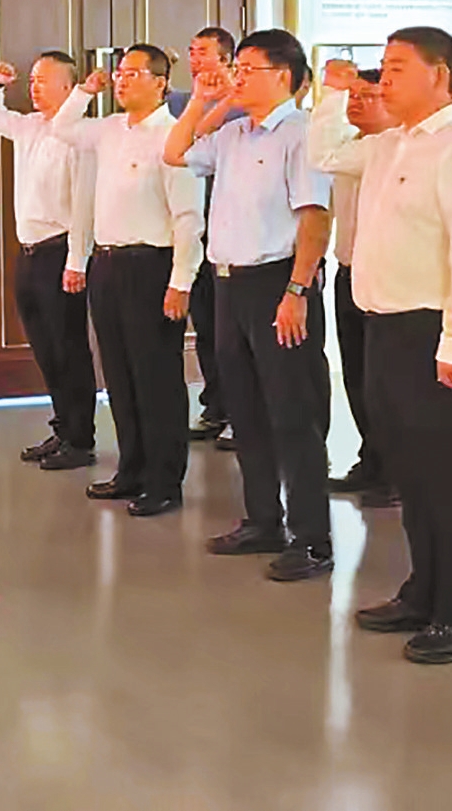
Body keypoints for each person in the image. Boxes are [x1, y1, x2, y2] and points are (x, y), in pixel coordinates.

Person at [311, 31, 452, 664]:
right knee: (413, 472)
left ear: (439, 75)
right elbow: (324, 152)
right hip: (385, 330)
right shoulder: (387, 143)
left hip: (434, 334)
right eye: (383, 67)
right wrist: (331, 93)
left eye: (397, 68)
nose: (383, 80)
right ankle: (423, 591)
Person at [164, 30, 335, 581]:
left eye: (247, 69)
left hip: (277, 282)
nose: (235, 77)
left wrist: (297, 291)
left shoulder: (302, 134)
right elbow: (175, 152)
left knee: (292, 413)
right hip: (228, 284)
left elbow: (314, 218)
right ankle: (263, 520)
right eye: (234, 68)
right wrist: (203, 99)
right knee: (246, 410)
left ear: (283, 76)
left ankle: (312, 538)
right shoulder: (234, 132)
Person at [51, 45, 203, 516]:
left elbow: (188, 217)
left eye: (134, 73)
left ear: (161, 83)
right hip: (108, 264)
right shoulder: (109, 130)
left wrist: (181, 281)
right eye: (120, 72)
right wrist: (84, 90)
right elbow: (62, 128)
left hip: (151, 266)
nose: (122, 79)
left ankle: (164, 480)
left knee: (155, 378)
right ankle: (131, 469)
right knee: (118, 375)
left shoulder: (173, 136)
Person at [0, 52, 97, 470]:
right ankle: (62, 428)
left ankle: (80, 439)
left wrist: (77, 261)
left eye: (43, 80)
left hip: (60, 252)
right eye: (31, 80)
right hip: (28, 252)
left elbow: (84, 206)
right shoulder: (29, 126)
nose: (34, 87)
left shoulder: (80, 138)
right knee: (46, 349)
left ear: (68, 87)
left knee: (69, 348)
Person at [323, 65, 399, 510]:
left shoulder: (390, 148)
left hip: (386, 277)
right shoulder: (350, 148)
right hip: (348, 272)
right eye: (352, 96)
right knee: (357, 376)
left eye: (368, 97)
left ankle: (397, 472)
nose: (356, 104)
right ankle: (371, 461)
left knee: (386, 382)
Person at [173, 27, 238, 446]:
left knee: (233, 332)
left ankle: (240, 411)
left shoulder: (244, 104)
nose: (195, 58)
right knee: (207, 328)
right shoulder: (181, 102)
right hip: (194, 229)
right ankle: (215, 405)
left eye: (204, 52)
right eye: (192, 51)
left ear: (227, 59)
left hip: (231, 230)